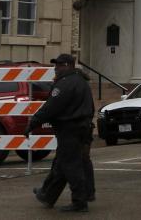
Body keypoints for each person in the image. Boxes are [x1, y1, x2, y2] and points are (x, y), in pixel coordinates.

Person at [29, 54, 95, 212]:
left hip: (70, 130)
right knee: (62, 164)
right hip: (82, 128)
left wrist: (32, 123)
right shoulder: (81, 82)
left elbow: (51, 107)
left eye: (58, 65)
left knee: (71, 166)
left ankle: (80, 201)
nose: (55, 68)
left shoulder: (65, 84)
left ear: (67, 65)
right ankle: (48, 194)